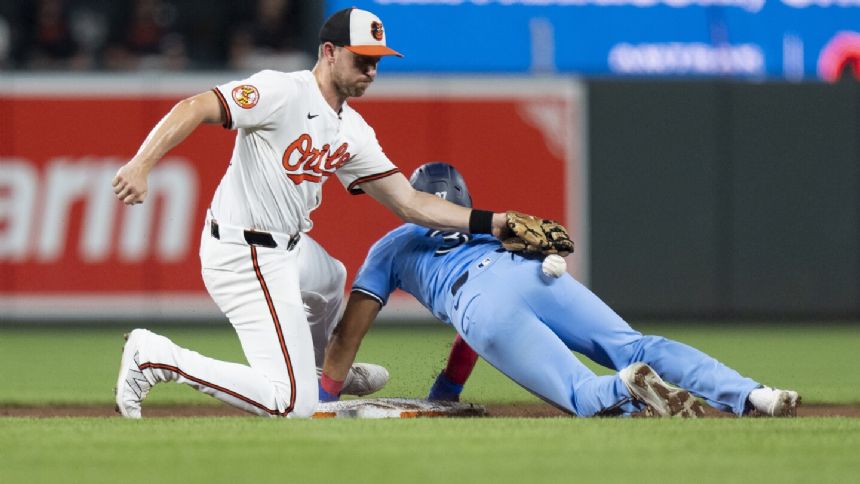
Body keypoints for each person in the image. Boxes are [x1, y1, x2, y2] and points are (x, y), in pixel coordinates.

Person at [112, 8, 555, 419]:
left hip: (289, 247)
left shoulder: (353, 129)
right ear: (328, 52)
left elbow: (410, 202)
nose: (372, 71)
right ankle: (155, 357)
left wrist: (494, 222)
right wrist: (141, 164)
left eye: (378, 61)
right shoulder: (281, 91)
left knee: (329, 278)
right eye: (362, 59)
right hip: (244, 252)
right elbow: (194, 106)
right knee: (291, 404)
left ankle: (321, 366)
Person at [321, 162, 801, 418]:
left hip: (482, 304)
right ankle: (755, 395)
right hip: (534, 273)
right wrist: (447, 387)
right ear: (463, 202)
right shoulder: (488, 224)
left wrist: (325, 398)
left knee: (581, 393)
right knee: (636, 344)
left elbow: (348, 335)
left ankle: (623, 385)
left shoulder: (392, 246)